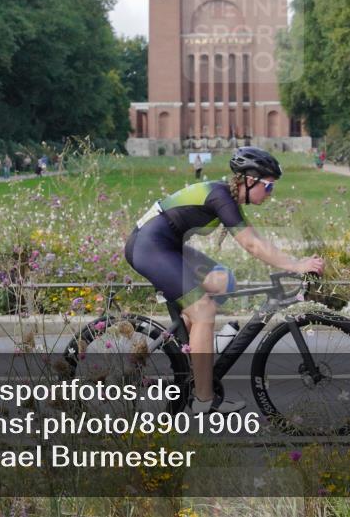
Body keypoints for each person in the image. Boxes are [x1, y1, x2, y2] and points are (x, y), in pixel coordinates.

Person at [124, 147, 324, 414]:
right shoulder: (221, 197)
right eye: (268, 187)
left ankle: (198, 338)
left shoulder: (226, 198)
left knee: (224, 280)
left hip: (167, 246)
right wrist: (296, 265)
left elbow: (257, 240)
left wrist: (292, 260)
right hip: (149, 247)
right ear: (249, 180)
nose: (270, 194)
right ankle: (204, 401)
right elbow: (253, 245)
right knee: (204, 309)